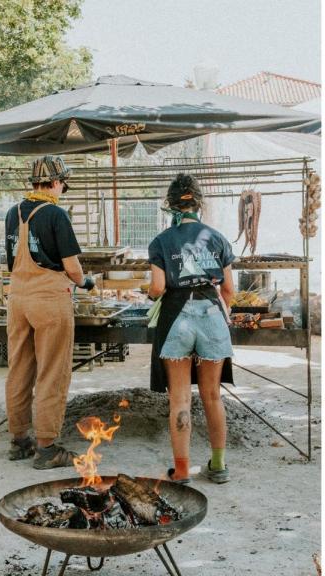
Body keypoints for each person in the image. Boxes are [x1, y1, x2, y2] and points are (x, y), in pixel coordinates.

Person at [4, 155, 95, 469]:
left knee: (19, 369)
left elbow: (10, 260)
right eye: (63, 185)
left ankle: (19, 440)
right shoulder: (56, 214)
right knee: (52, 371)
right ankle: (46, 448)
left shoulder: (11, 212)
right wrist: (86, 282)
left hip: (17, 299)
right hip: (48, 299)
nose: (61, 189)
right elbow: (72, 267)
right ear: (56, 182)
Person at [147, 173, 235, 484]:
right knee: (212, 395)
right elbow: (229, 291)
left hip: (177, 319)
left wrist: (149, 292)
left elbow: (158, 288)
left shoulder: (161, 241)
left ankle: (182, 470)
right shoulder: (218, 238)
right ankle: (219, 465)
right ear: (198, 203)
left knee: (180, 398)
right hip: (212, 314)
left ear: (170, 205)